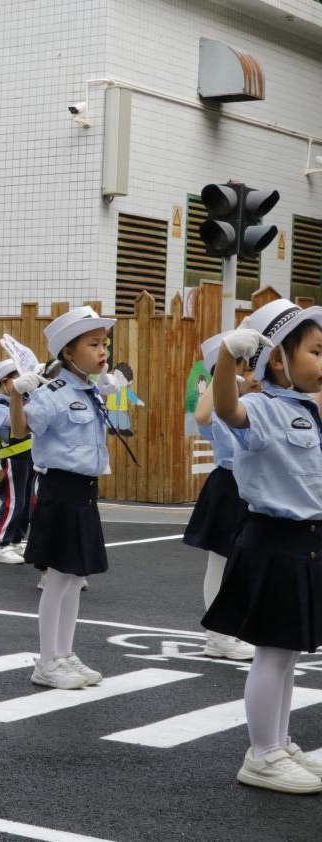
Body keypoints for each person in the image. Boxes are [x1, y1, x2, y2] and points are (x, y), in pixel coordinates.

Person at [201, 299, 322, 794]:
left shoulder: (304, 410)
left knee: (288, 653)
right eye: (317, 351)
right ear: (279, 360)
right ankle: (261, 753)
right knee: (272, 654)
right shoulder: (264, 408)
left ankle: (278, 740)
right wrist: (229, 356)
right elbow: (226, 408)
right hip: (274, 542)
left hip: (304, 543)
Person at [10, 306, 113, 691]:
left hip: (84, 492)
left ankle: (65, 653)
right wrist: (19, 395)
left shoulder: (90, 390)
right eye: (93, 344)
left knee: (74, 578)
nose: (103, 350)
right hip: (60, 491)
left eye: (104, 343)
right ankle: (47, 659)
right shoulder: (53, 391)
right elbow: (20, 431)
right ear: (69, 353)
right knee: (57, 579)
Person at [182, 332, 256, 661]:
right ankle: (217, 636)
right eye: (243, 365)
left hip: (250, 485)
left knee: (242, 564)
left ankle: (231, 631)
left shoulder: (250, 401)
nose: (250, 374)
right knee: (221, 562)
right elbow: (200, 415)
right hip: (228, 485)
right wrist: (222, 370)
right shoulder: (217, 405)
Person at [0, 358, 33, 565]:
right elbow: (14, 422)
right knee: (14, 502)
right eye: (16, 381)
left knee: (26, 503)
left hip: (29, 459)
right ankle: (3, 545)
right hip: (13, 460)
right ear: (4, 382)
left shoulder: (24, 401)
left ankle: (16, 540)